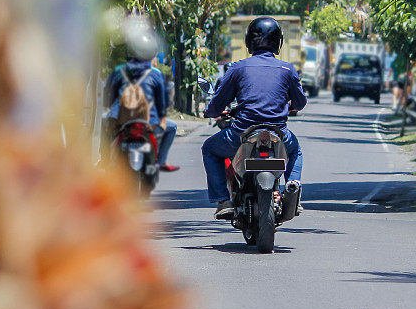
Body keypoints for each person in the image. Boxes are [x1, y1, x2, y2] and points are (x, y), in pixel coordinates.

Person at [202, 17, 307, 219]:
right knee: (295, 151)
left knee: (209, 149)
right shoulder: (288, 69)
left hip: (242, 132)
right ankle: (293, 185)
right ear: (279, 42)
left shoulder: (237, 68)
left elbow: (217, 103)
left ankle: (223, 200)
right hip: (278, 133)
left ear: (249, 40)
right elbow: (300, 103)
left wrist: (212, 112)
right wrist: (290, 105)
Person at [103, 38, 180, 173]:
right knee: (172, 127)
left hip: (119, 121)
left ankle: (104, 160)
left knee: (104, 120)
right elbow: (162, 104)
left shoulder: (118, 71)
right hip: (149, 123)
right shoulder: (156, 74)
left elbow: (107, 97)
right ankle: (161, 162)